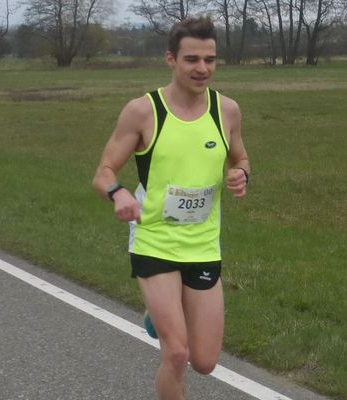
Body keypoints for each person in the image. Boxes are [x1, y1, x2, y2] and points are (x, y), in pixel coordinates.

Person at [92, 17, 250, 399]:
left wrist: (241, 174)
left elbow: (241, 158)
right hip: (154, 239)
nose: (202, 69)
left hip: (203, 243)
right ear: (171, 59)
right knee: (176, 354)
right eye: (191, 59)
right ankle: (165, 320)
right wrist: (120, 193)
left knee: (206, 361)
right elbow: (103, 171)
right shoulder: (144, 111)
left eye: (210, 60)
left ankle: (156, 316)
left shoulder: (226, 110)